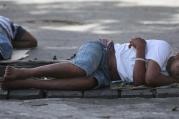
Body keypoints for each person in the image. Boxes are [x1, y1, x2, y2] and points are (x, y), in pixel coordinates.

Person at [1, 38, 179, 90]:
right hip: (102, 51)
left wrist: (140, 50)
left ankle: (28, 83)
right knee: (82, 69)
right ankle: (24, 73)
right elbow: (146, 78)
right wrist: (140, 49)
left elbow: (143, 79)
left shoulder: (165, 78)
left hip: (107, 75)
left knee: (88, 82)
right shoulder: (164, 48)